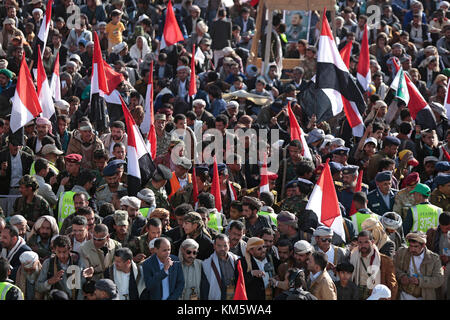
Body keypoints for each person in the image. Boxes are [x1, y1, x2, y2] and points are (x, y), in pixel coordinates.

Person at [36, 235, 90, 300]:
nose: (62, 256)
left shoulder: (78, 262)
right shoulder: (48, 263)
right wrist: (50, 281)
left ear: (70, 249)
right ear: (54, 250)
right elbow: (38, 287)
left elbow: (81, 289)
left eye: (64, 252)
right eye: (59, 252)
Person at [394, 232, 444, 300]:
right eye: (410, 246)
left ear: (423, 245)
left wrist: (420, 281)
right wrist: (401, 276)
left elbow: (439, 280)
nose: (412, 249)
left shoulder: (434, 259)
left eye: (416, 246)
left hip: (423, 296)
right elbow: (393, 268)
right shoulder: (401, 252)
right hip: (403, 295)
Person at [349, 231, 398, 300]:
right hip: (356, 293)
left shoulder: (384, 260)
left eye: (366, 242)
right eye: (360, 242)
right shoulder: (352, 257)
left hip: (374, 294)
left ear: (372, 242)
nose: (363, 245)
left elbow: (392, 284)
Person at [201, 233, 240, 300]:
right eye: (219, 246)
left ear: (229, 245)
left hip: (235, 295)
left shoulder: (237, 260)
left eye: (225, 246)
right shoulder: (206, 264)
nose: (222, 248)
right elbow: (205, 288)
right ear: (214, 246)